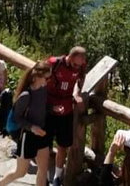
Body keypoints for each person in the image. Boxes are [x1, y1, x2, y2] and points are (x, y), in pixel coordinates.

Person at [0, 61, 52, 186]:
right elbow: (16, 118)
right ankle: (0, 184)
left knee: (43, 169)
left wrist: (54, 108)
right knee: (20, 172)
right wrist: (32, 127)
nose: (47, 81)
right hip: (28, 136)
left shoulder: (43, 90)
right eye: (46, 78)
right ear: (37, 77)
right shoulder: (26, 95)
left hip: (42, 133)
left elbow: (42, 108)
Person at [45, 45, 87, 186]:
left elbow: (80, 81)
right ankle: (43, 175)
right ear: (69, 56)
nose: (76, 67)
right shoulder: (54, 63)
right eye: (75, 64)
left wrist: (76, 94)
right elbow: (39, 80)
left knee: (63, 145)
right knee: (45, 144)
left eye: (79, 65)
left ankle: (57, 177)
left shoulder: (80, 66)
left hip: (67, 110)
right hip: (49, 108)